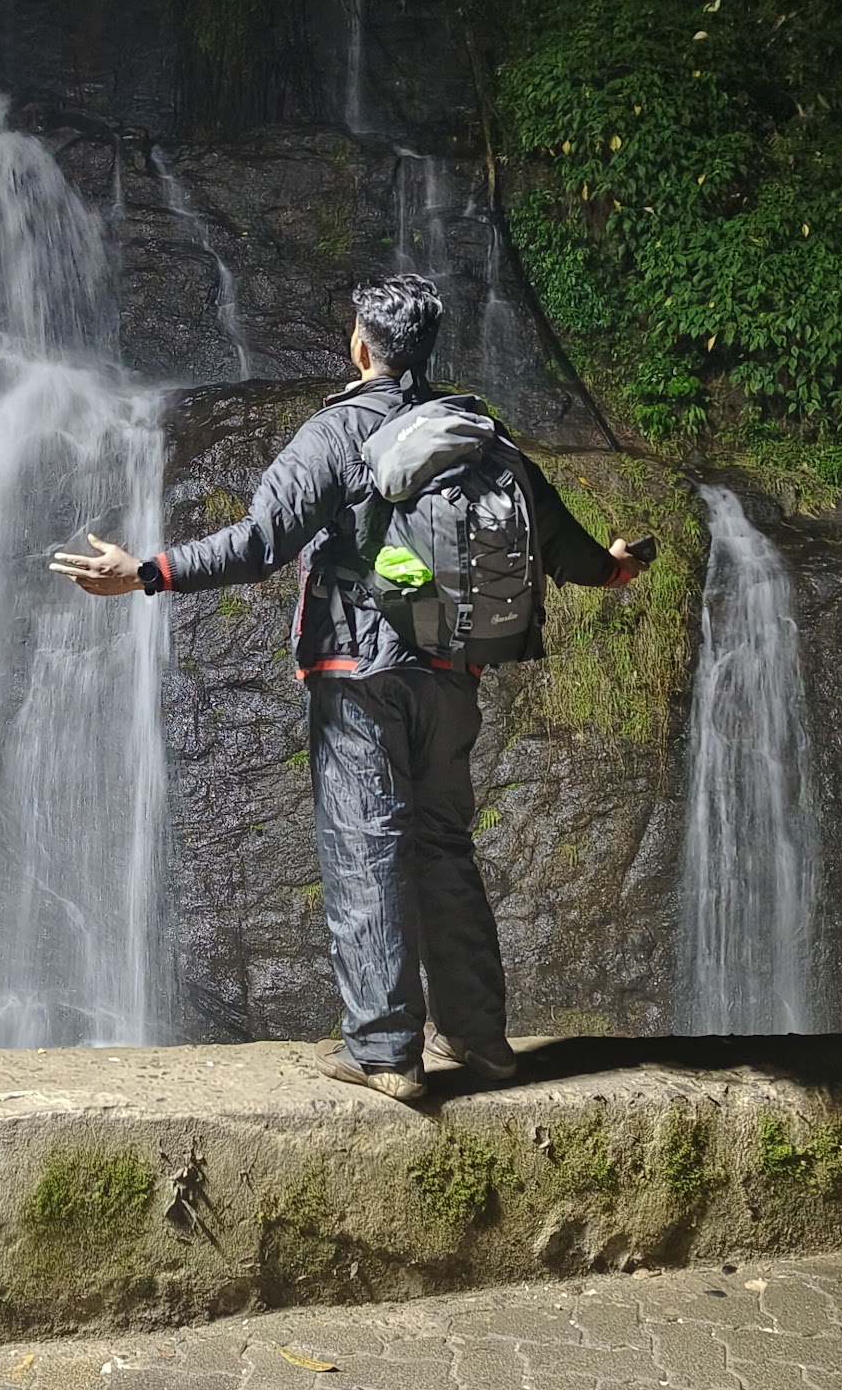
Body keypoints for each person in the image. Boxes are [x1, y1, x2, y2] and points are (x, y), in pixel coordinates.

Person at [50, 273, 647, 1102]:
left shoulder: (336, 434)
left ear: (362, 346)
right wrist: (617, 567)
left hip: (359, 676)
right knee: (443, 846)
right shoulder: (479, 434)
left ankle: (384, 1052)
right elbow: (565, 548)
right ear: (425, 349)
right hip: (450, 674)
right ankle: (481, 1041)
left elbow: (259, 544)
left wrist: (144, 572)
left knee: (366, 843)